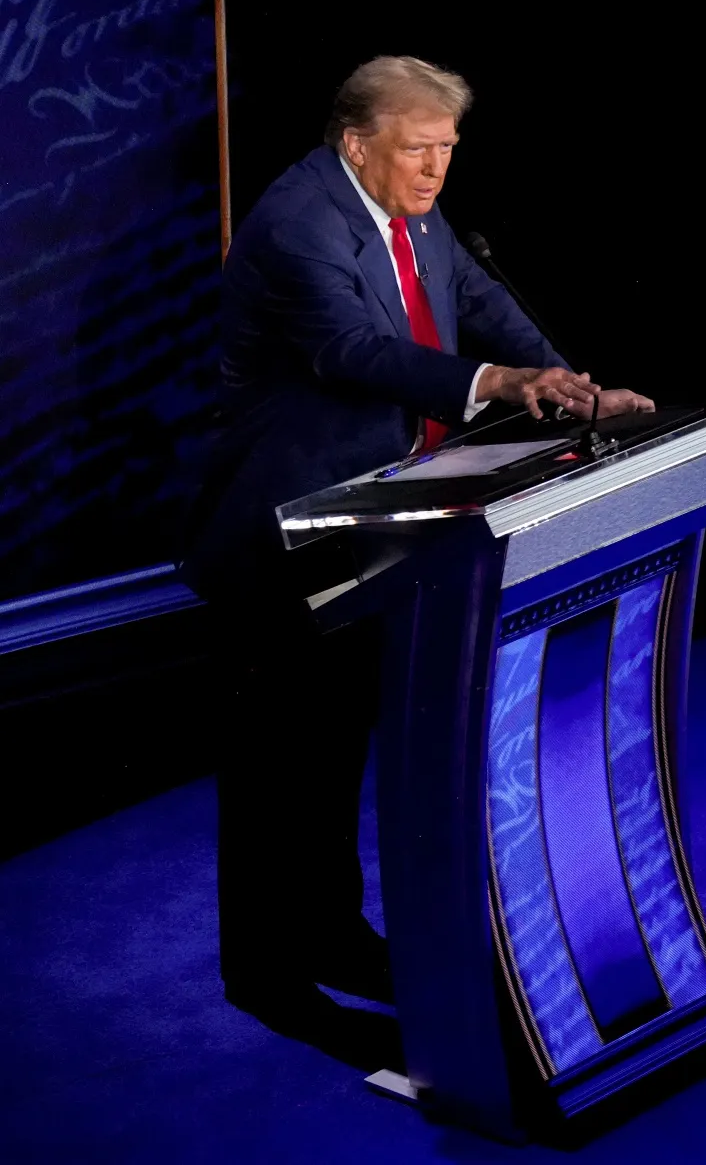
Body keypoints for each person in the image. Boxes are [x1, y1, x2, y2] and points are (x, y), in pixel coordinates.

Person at [182, 56, 653, 1041]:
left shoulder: (411, 205)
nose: (435, 168)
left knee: (335, 742)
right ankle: (266, 973)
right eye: (417, 148)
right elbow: (352, 350)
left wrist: (565, 382)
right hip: (283, 535)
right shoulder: (296, 221)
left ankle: (332, 931)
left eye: (446, 148)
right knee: (277, 758)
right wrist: (499, 384)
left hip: (378, 524)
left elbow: (477, 298)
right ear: (357, 143)